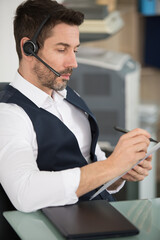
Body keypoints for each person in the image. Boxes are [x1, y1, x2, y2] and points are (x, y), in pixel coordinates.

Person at [0, 0, 152, 213]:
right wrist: (111, 166)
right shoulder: (8, 115)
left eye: (75, 50)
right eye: (62, 50)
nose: (73, 62)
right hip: (58, 227)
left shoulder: (69, 97)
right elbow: (25, 193)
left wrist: (120, 172)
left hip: (100, 216)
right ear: (28, 49)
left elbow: (95, 163)